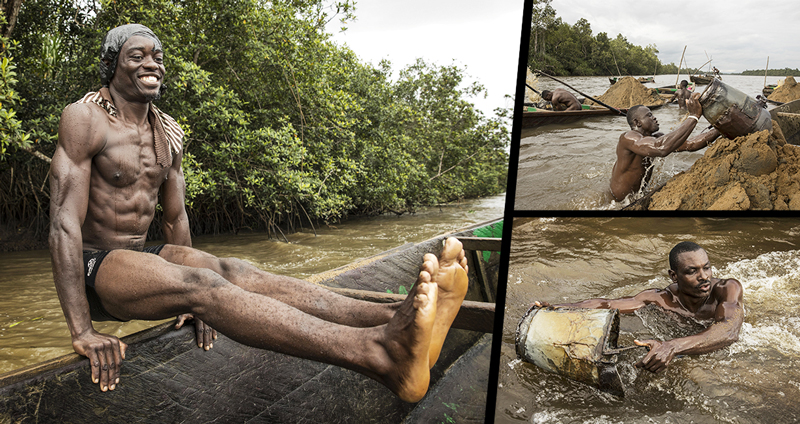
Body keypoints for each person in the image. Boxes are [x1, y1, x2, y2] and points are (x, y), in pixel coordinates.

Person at [48, 24, 470, 403]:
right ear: (112, 65)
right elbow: (64, 225)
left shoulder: (167, 132)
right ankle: (378, 354)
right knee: (202, 282)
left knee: (233, 269)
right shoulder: (85, 118)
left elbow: (176, 221)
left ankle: (401, 321)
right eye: (136, 56)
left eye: (157, 56)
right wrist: (82, 330)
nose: (150, 63)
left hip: (140, 259)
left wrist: (189, 304)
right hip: (93, 267)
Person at [536, 241, 744, 373]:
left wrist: (671, 346)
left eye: (706, 267)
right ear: (674, 276)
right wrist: (558, 308)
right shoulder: (660, 299)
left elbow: (728, 330)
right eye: (692, 271)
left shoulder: (727, 289)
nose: (704, 277)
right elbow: (608, 304)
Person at [609, 93, 721, 201]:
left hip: (636, 196)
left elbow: (690, 144)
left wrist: (718, 128)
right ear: (637, 122)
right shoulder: (628, 137)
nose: (654, 118)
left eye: (652, 114)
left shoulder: (657, 138)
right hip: (617, 201)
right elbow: (661, 149)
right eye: (649, 115)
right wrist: (694, 116)